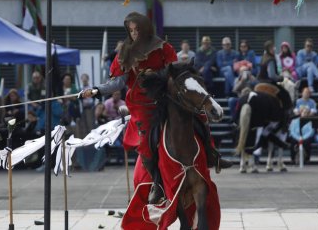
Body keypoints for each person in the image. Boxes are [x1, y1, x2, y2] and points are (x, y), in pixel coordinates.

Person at [80, 12, 231, 204]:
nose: (134, 34)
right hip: (142, 104)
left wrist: (156, 73)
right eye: (131, 30)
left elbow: (173, 71)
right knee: (147, 142)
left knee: (198, 115)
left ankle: (212, 155)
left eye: (137, 29)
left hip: (165, 97)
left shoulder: (163, 47)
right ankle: (157, 184)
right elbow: (118, 83)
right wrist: (95, 90)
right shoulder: (125, 52)